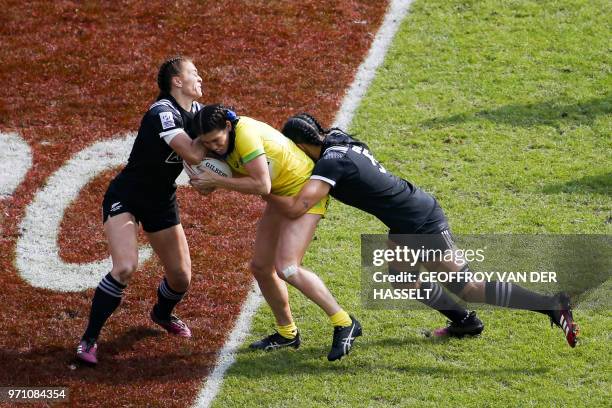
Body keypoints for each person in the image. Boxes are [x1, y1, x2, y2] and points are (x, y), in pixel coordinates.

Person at [266, 113, 579, 348]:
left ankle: (550, 305)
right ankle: (465, 323)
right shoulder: (337, 138)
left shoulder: (329, 165)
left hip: (420, 220)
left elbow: (296, 208)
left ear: (301, 145)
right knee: (403, 278)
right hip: (407, 216)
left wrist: (262, 187)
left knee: (468, 287)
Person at [189, 104, 361, 361]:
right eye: (207, 142)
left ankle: (345, 322)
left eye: (216, 140)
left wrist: (216, 180)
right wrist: (199, 173)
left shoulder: (245, 134)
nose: (213, 146)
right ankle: (287, 332)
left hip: (303, 190)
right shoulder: (212, 140)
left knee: (288, 268)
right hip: (280, 194)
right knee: (261, 267)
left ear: (227, 126)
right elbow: (207, 181)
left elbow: (261, 184)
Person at [76, 56, 208, 365]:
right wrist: (212, 153)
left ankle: (161, 314)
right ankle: (88, 340)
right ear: (177, 81)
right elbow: (191, 151)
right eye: (194, 73)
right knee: (125, 267)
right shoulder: (161, 112)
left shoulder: (198, 113)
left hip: (161, 201)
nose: (200, 78)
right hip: (127, 197)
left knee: (181, 278)